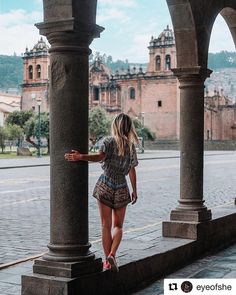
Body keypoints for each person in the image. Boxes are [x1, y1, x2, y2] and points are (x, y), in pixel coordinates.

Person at [64, 113, 139, 272]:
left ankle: (107, 261)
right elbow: (132, 170)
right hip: (121, 186)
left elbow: (99, 157)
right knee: (118, 226)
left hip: (105, 184)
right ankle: (112, 254)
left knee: (106, 225)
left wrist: (79, 157)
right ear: (128, 128)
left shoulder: (108, 141)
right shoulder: (131, 146)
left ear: (115, 126)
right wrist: (134, 190)